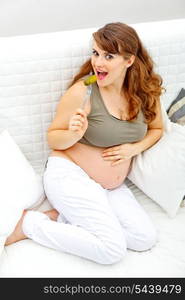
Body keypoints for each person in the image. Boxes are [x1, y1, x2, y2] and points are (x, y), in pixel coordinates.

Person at [5, 22, 164, 265]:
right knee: (112, 250)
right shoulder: (85, 90)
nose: (98, 63)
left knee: (144, 238)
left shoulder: (143, 92)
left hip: (111, 188)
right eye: (96, 53)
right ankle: (29, 224)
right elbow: (53, 137)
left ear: (129, 61)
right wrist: (74, 134)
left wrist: (135, 148)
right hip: (71, 174)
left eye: (108, 56)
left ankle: (65, 217)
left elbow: (157, 129)